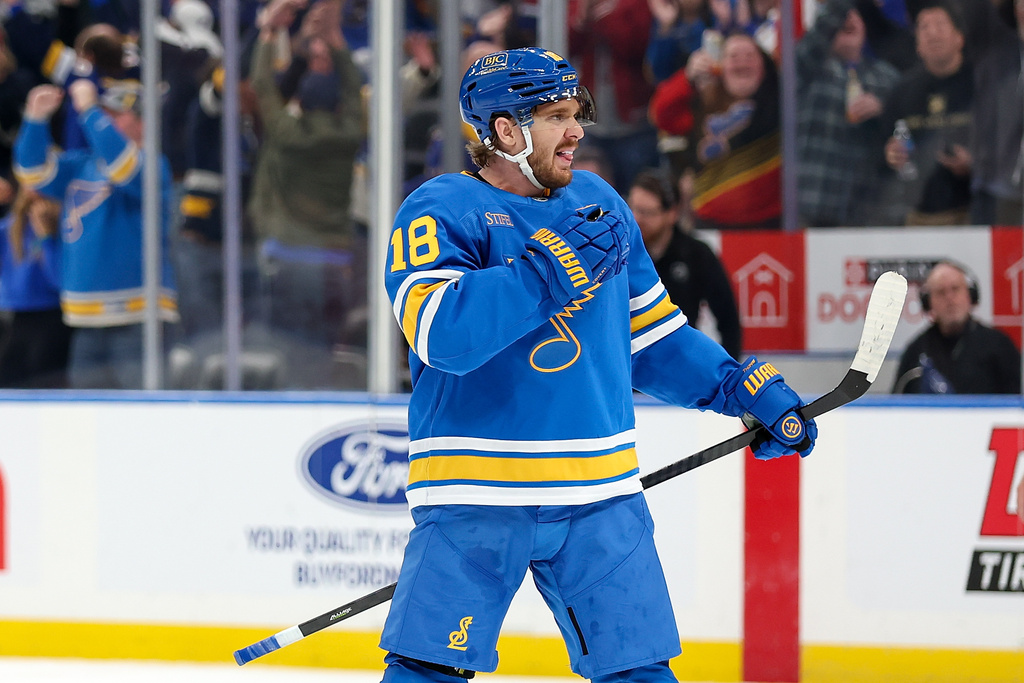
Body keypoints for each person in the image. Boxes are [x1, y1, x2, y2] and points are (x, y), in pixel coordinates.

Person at [380, 46, 816, 683]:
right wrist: (545, 273)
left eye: (575, 112)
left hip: (598, 490)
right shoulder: (439, 210)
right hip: (477, 488)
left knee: (642, 672)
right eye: (557, 116)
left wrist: (737, 389)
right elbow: (441, 334)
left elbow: (653, 337)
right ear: (506, 131)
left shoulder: (601, 203)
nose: (578, 130)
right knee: (426, 672)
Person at [13, 79, 179, 389]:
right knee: (86, 422)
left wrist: (89, 111)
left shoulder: (153, 166)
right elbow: (31, 171)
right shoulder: (82, 165)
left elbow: (123, 165)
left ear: (143, 122)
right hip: (86, 319)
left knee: (142, 418)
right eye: (104, 114)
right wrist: (35, 119)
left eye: (116, 115)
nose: (106, 121)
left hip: (137, 317)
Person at [796, 0, 900, 227]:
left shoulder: (887, 76)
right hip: (813, 209)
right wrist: (840, 6)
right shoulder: (807, 68)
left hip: (866, 213)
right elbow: (819, 35)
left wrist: (883, 112)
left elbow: (906, 132)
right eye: (843, 17)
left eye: (856, 16)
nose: (849, 19)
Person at [628, 169, 742, 359]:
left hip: (678, 366)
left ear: (672, 213)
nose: (637, 219)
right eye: (633, 208)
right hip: (626, 369)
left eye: (647, 213)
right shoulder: (618, 252)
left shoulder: (696, 254)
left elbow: (728, 321)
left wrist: (727, 380)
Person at [878, 0, 973, 226]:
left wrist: (974, 163)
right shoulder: (902, 91)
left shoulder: (982, 86)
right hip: (917, 215)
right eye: (924, 27)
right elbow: (881, 151)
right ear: (917, 44)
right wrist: (891, 154)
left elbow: (1006, 147)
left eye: (940, 25)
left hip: (975, 213)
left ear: (960, 38)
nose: (932, 34)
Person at [892, 261, 1020, 394]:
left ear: (970, 295)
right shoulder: (916, 351)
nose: (950, 298)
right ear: (928, 302)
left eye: (955, 289)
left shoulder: (999, 346)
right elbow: (897, 407)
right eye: (941, 292)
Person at [0, 185, 71, 388]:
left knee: (45, 384)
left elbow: (58, 280)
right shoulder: (8, 228)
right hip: (13, 317)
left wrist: (46, 236)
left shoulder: (67, 229)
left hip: (51, 317)